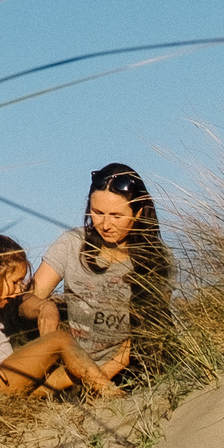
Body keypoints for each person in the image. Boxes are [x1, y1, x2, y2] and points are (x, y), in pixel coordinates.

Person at [20, 163, 175, 385]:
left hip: (130, 370)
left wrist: (100, 379)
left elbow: (149, 332)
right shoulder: (72, 243)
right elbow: (26, 301)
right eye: (97, 213)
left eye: (116, 216)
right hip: (72, 366)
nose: (105, 224)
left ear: (138, 212)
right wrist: (45, 306)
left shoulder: (159, 258)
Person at [0, 231, 123, 398]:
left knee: (68, 374)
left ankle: (106, 386)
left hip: (8, 383)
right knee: (61, 339)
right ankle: (109, 392)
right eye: (15, 282)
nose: (18, 290)